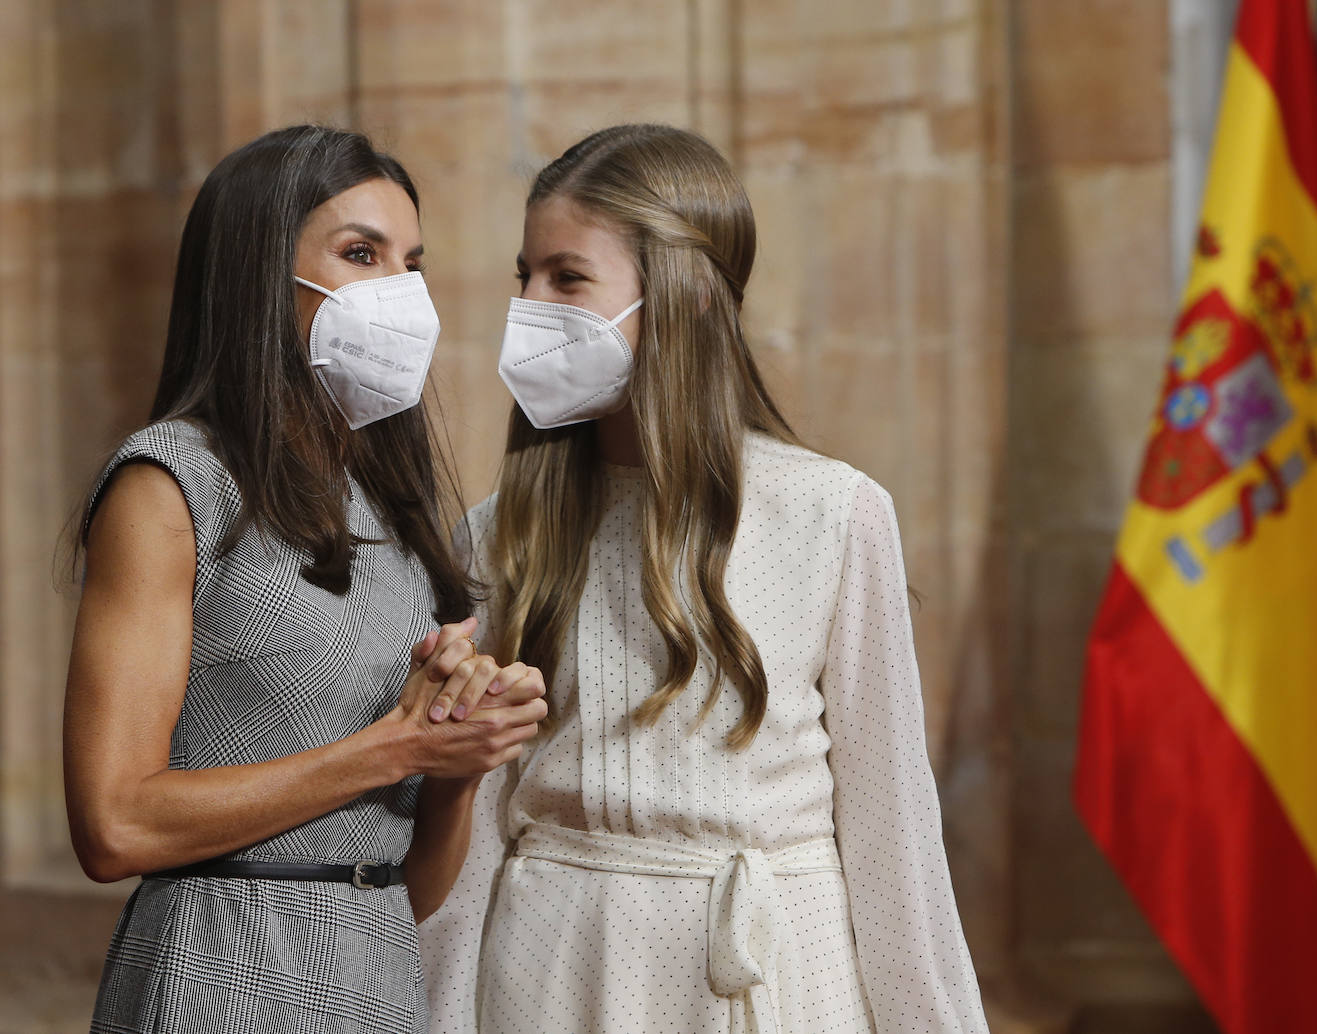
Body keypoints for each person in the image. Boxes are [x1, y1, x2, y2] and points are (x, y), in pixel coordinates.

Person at [421, 124, 988, 1033]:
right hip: (550, 970)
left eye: (567, 278)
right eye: (522, 275)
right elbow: (474, 822)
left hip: (768, 966)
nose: (530, 304)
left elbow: (894, 843)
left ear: (677, 297)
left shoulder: (832, 514)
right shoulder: (500, 532)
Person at [63, 124, 547, 1034]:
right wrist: (395, 749)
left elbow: (413, 887)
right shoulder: (169, 483)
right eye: (360, 254)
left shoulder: (399, 516)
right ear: (257, 275)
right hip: (214, 970)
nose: (399, 291)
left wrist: (460, 756)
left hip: (375, 974)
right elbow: (114, 826)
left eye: (410, 262)